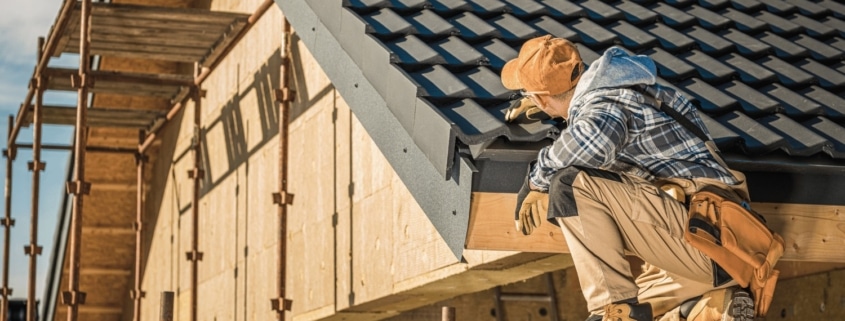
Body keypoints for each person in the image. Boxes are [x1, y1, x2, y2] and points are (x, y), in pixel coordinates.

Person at [500, 35, 757, 321]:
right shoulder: (628, 91)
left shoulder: (604, 103)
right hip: (719, 252)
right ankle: (715, 308)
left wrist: (537, 180)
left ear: (540, 97)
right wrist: (560, 111)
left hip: (703, 237)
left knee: (569, 184)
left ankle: (608, 309)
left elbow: (596, 140)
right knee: (647, 309)